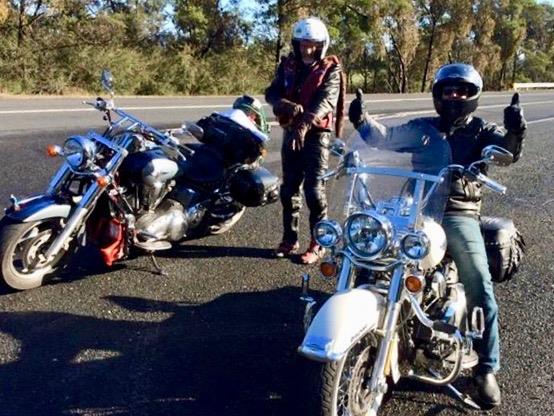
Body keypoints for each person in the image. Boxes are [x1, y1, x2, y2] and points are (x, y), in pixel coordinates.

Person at [348, 63, 527, 408]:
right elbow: (385, 137)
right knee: (371, 251)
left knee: (478, 280)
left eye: (461, 91)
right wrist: (362, 120)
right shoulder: (423, 128)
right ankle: (366, 324)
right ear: (438, 95)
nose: (454, 96)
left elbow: (507, 152)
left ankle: (486, 368)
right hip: (416, 207)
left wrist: (515, 130)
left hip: (458, 212)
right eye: (448, 91)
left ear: (471, 96)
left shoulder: (480, 130)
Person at [265, 16, 346, 264]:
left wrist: (305, 123)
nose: (307, 50)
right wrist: (282, 103)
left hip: (316, 134)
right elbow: (272, 92)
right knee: (289, 189)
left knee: (314, 191)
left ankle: (318, 243)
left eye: (312, 45)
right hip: (292, 130)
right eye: (302, 44)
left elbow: (327, 100)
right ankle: (289, 239)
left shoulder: (331, 69)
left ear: (321, 45)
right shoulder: (288, 65)